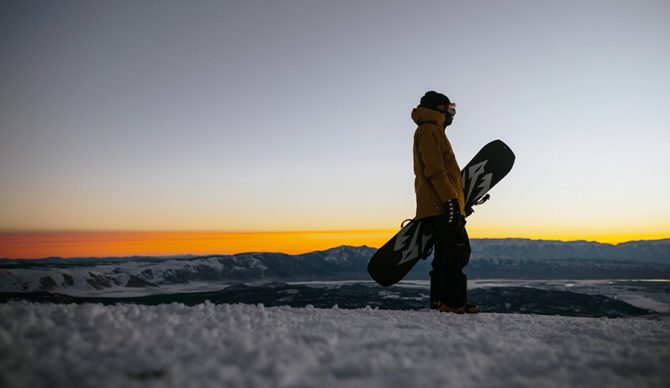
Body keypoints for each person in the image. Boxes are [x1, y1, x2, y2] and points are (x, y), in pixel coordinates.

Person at [411, 91, 479, 314]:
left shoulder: (431, 130)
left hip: (438, 204)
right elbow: (436, 171)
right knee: (457, 250)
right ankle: (452, 302)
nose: (451, 115)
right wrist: (450, 200)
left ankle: (441, 302)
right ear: (438, 110)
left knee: (444, 253)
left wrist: (458, 202)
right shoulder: (429, 130)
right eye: (448, 109)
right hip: (441, 204)